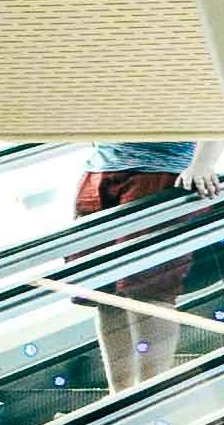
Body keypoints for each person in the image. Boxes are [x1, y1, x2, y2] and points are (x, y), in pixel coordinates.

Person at [72, 135, 215, 390]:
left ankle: (151, 397)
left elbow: (218, 105)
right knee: (105, 294)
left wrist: (203, 162)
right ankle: (121, 398)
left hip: (162, 172)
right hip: (99, 170)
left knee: (148, 293)